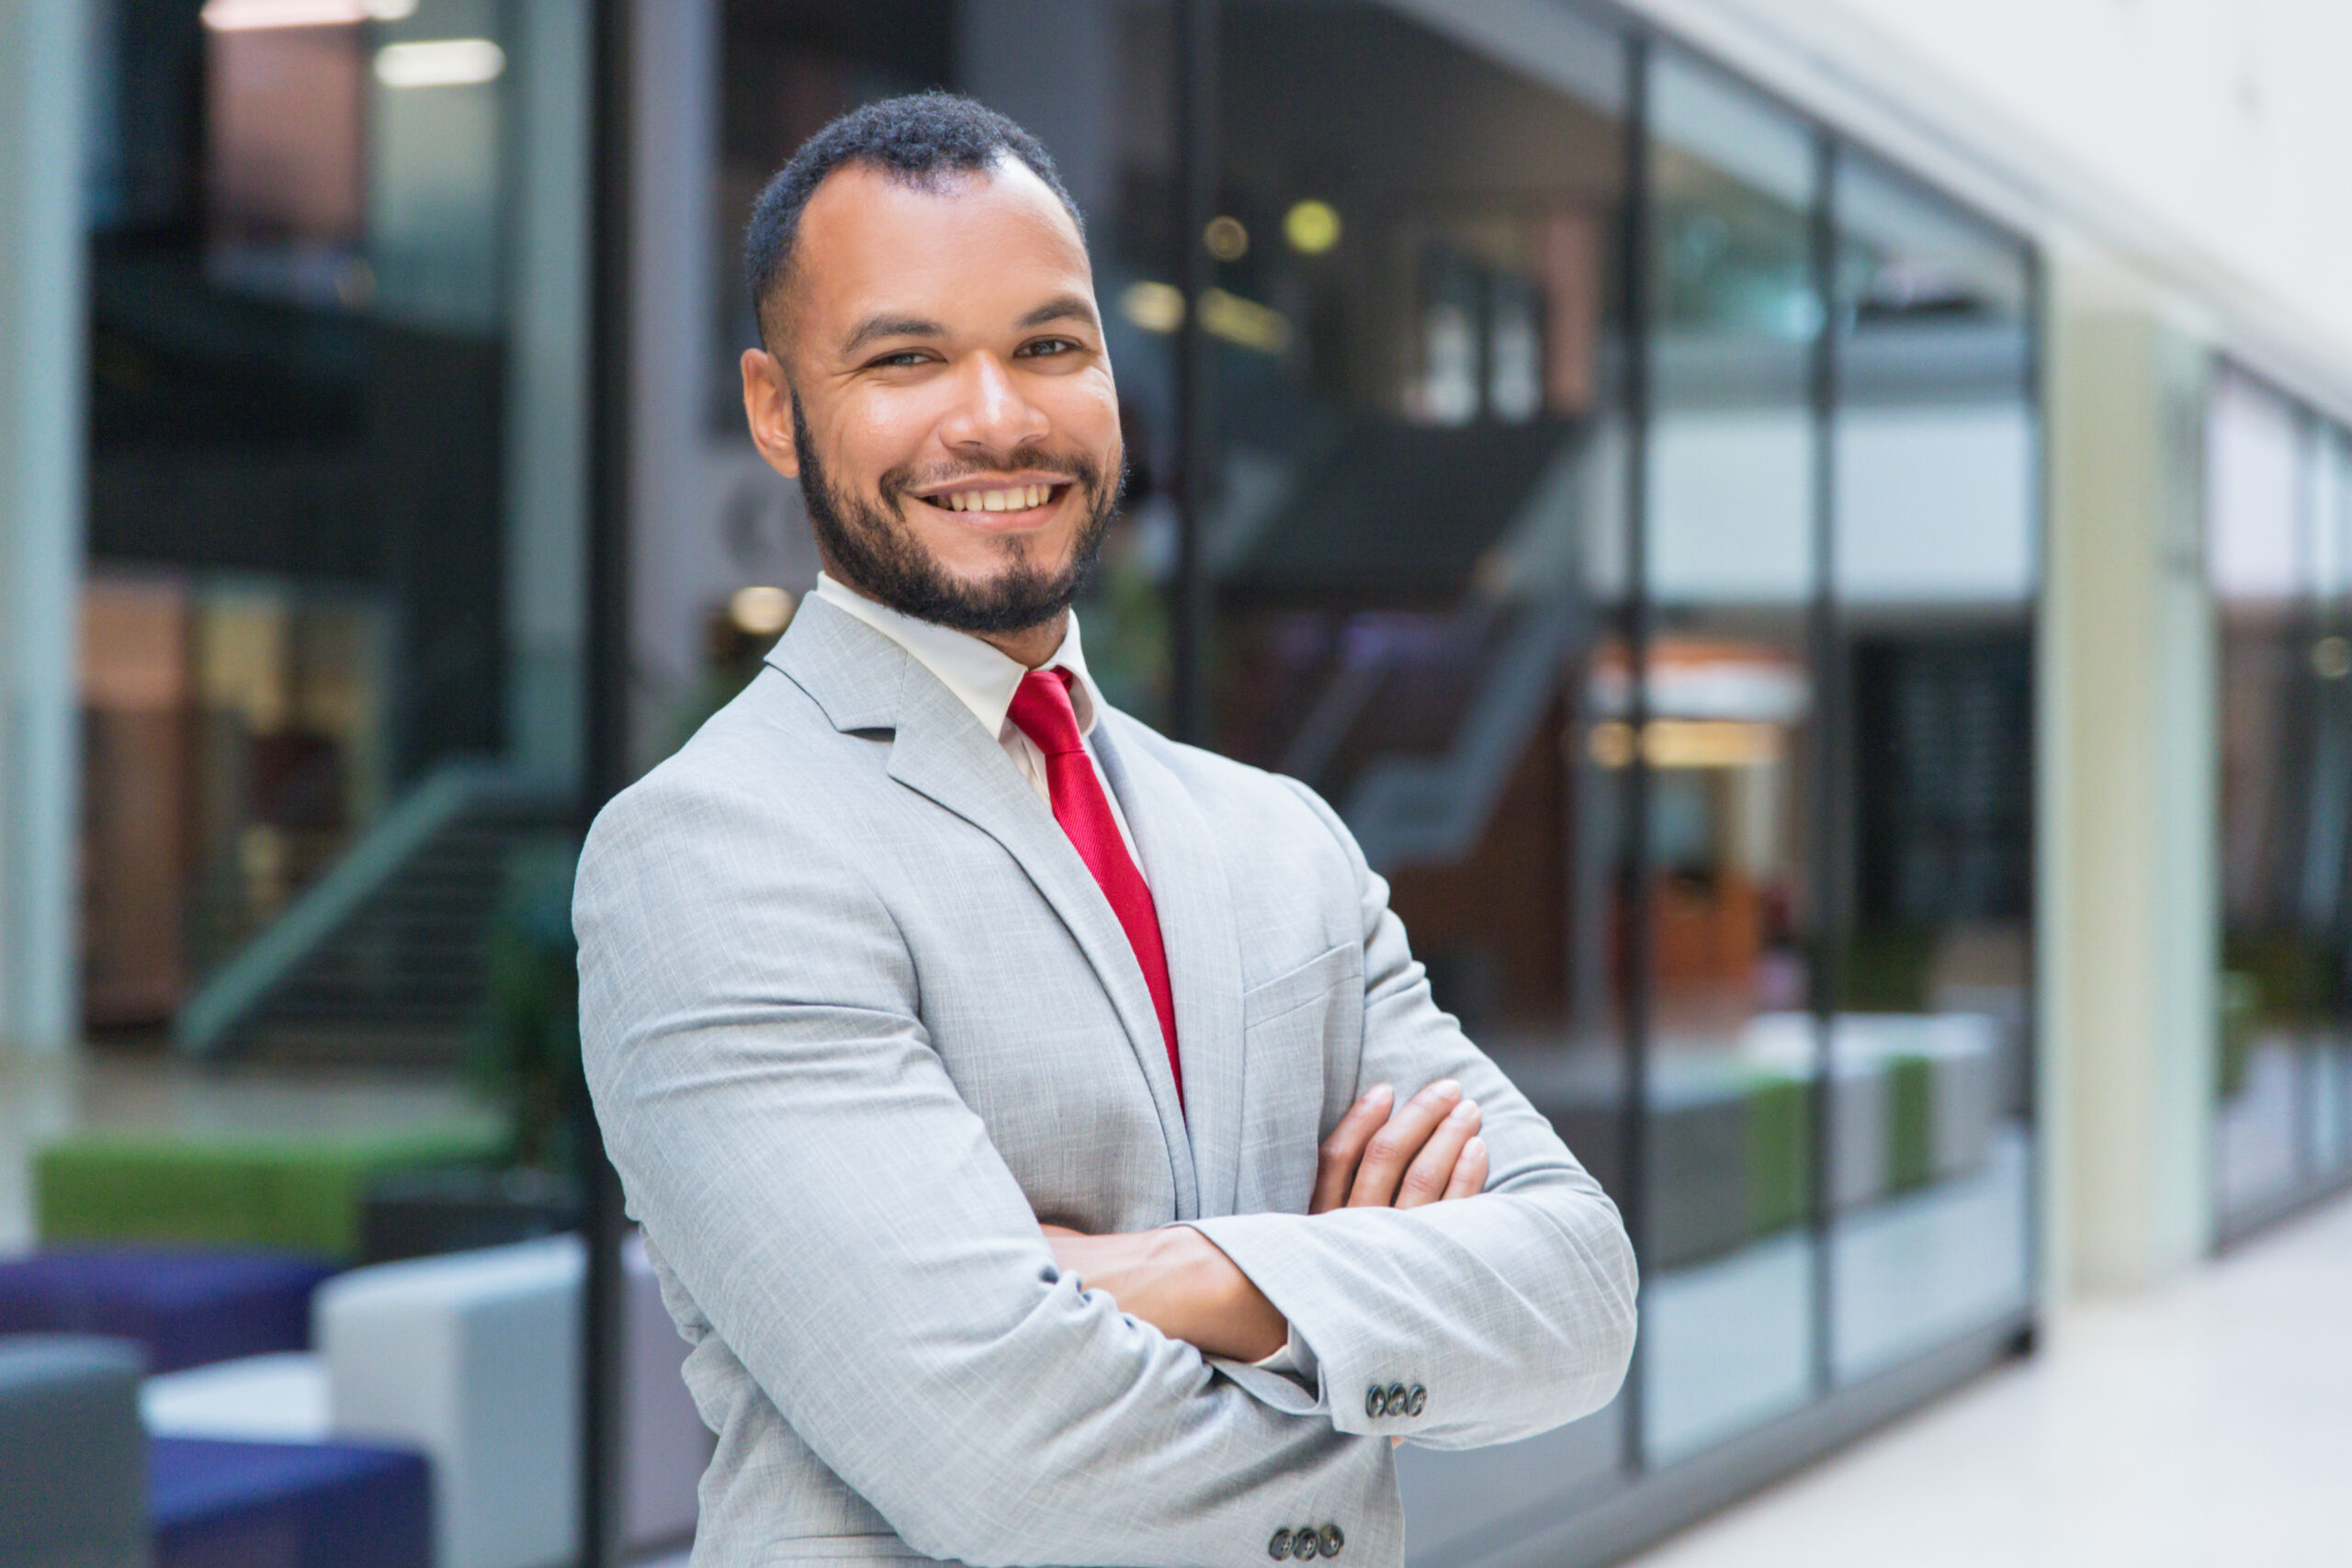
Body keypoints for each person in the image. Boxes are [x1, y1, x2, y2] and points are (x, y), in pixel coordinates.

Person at [574, 92, 1635, 1568]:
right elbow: (1006, 1461)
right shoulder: (713, 849)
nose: (998, 416)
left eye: (1050, 345)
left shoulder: (1282, 841)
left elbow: (1578, 1297)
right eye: (905, 358)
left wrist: (1184, 1277)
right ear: (775, 409)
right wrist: (1347, 1342)